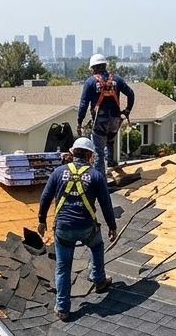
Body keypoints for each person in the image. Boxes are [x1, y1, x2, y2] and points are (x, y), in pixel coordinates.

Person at [37, 137, 117, 321]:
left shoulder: (58, 173)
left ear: (73, 153)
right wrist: (112, 226)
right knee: (97, 246)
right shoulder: (95, 176)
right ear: (90, 155)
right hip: (86, 227)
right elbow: (106, 204)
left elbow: (45, 197)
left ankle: (63, 308)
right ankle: (99, 280)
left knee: (63, 267)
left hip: (63, 229)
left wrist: (42, 220)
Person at [77, 53, 135, 176]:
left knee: (98, 151)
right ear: (104, 66)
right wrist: (127, 110)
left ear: (93, 68)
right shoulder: (117, 79)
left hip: (100, 121)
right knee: (110, 139)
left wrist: (79, 122)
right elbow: (131, 94)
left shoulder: (90, 82)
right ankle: (112, 163)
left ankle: (101, 180)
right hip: (115, 120)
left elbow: (83, 104)